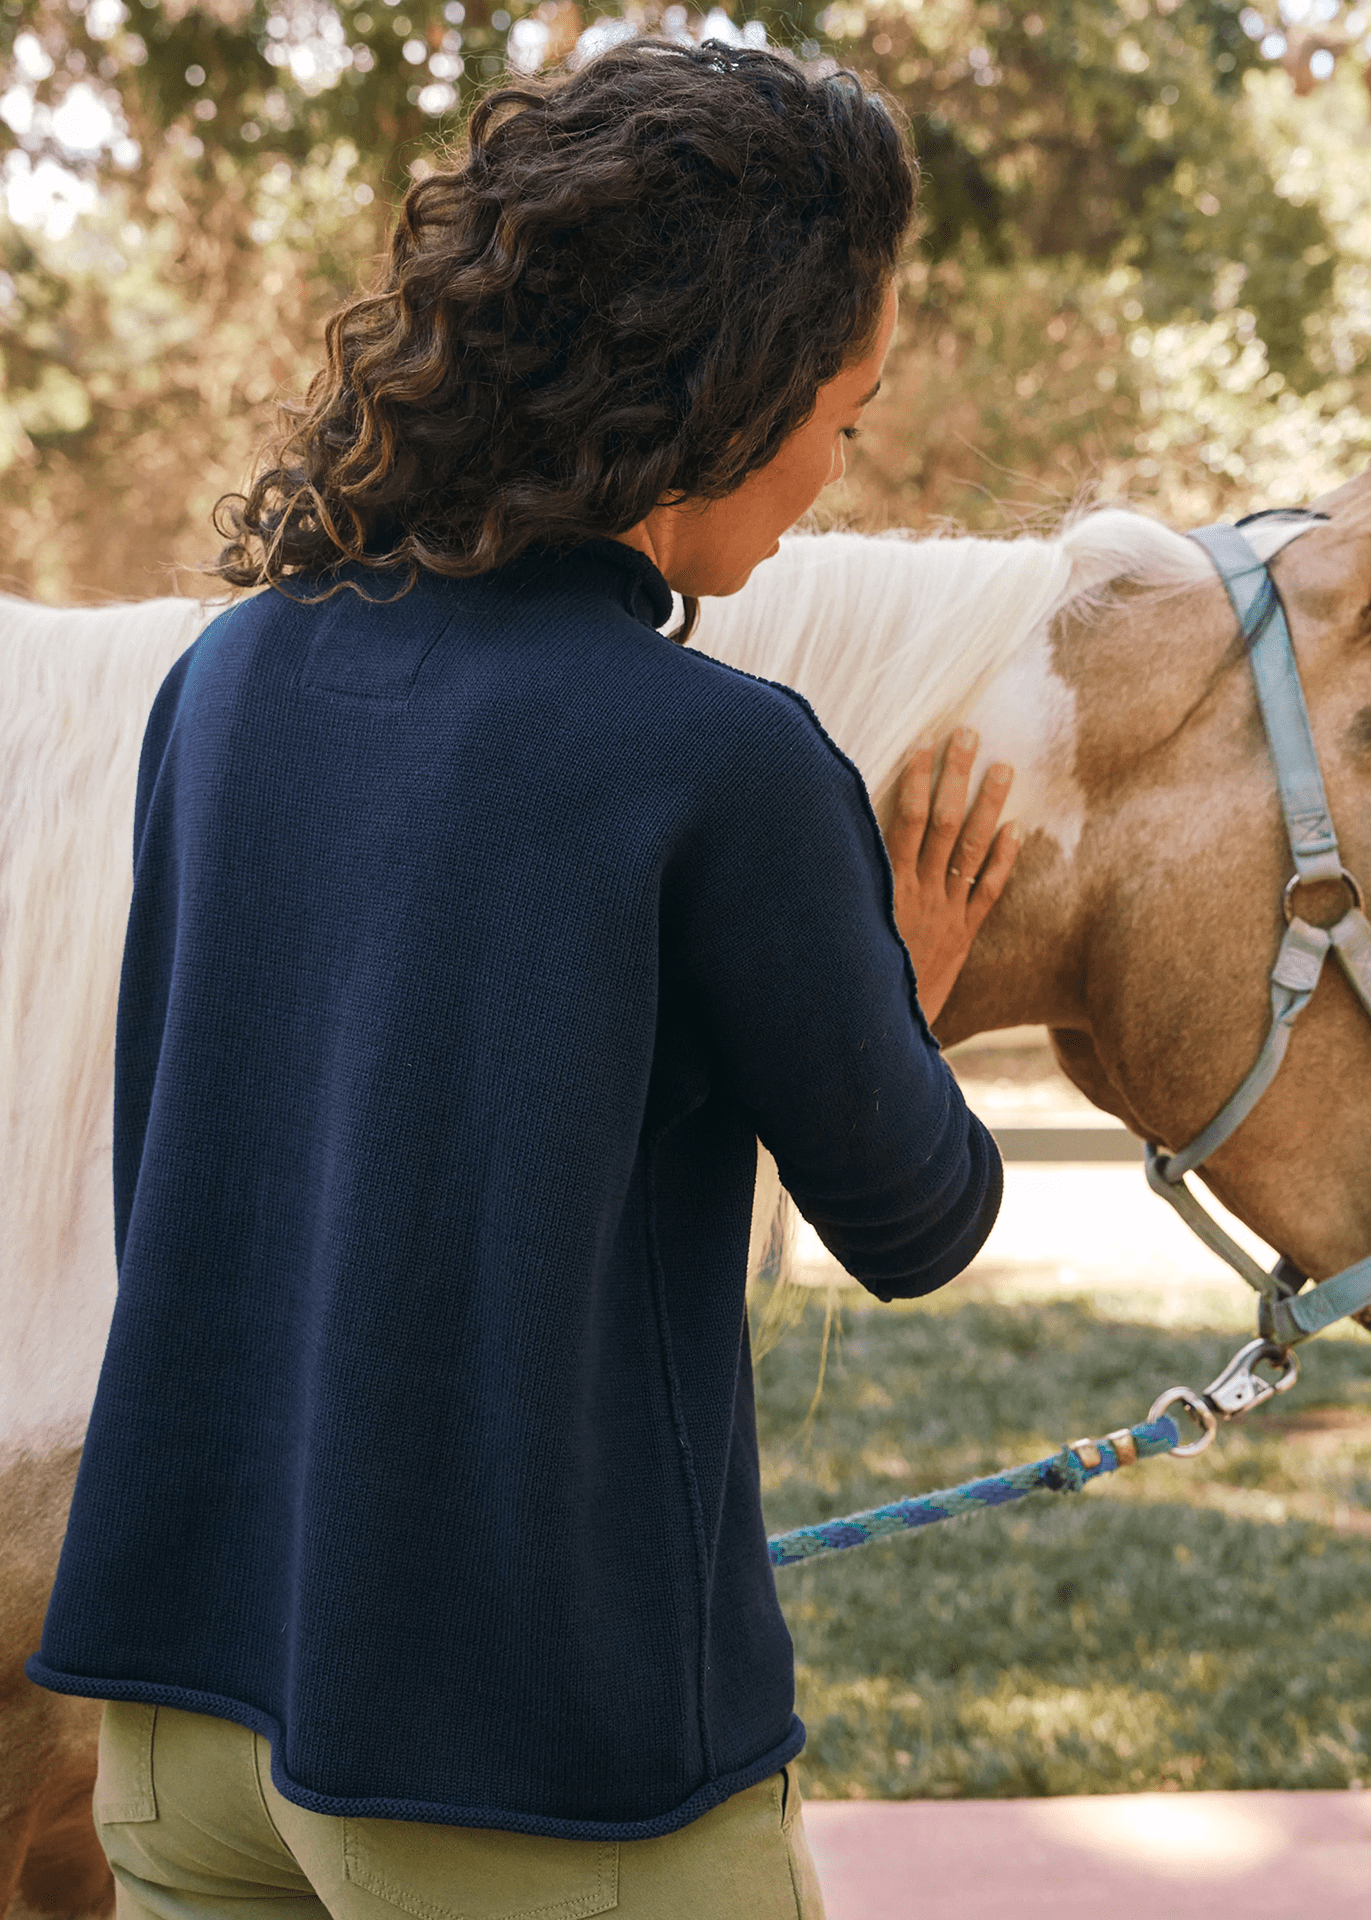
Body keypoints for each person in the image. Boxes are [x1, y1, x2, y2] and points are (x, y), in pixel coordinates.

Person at [28, 38, 1019, 1920]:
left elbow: (174, 1163)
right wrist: (889, 974)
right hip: (526, 1779)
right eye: (844, 408)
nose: (835, 467)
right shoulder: (722, 758)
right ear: (726, 397)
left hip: (173, 1724)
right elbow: (916, 1222)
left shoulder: (224, 684)